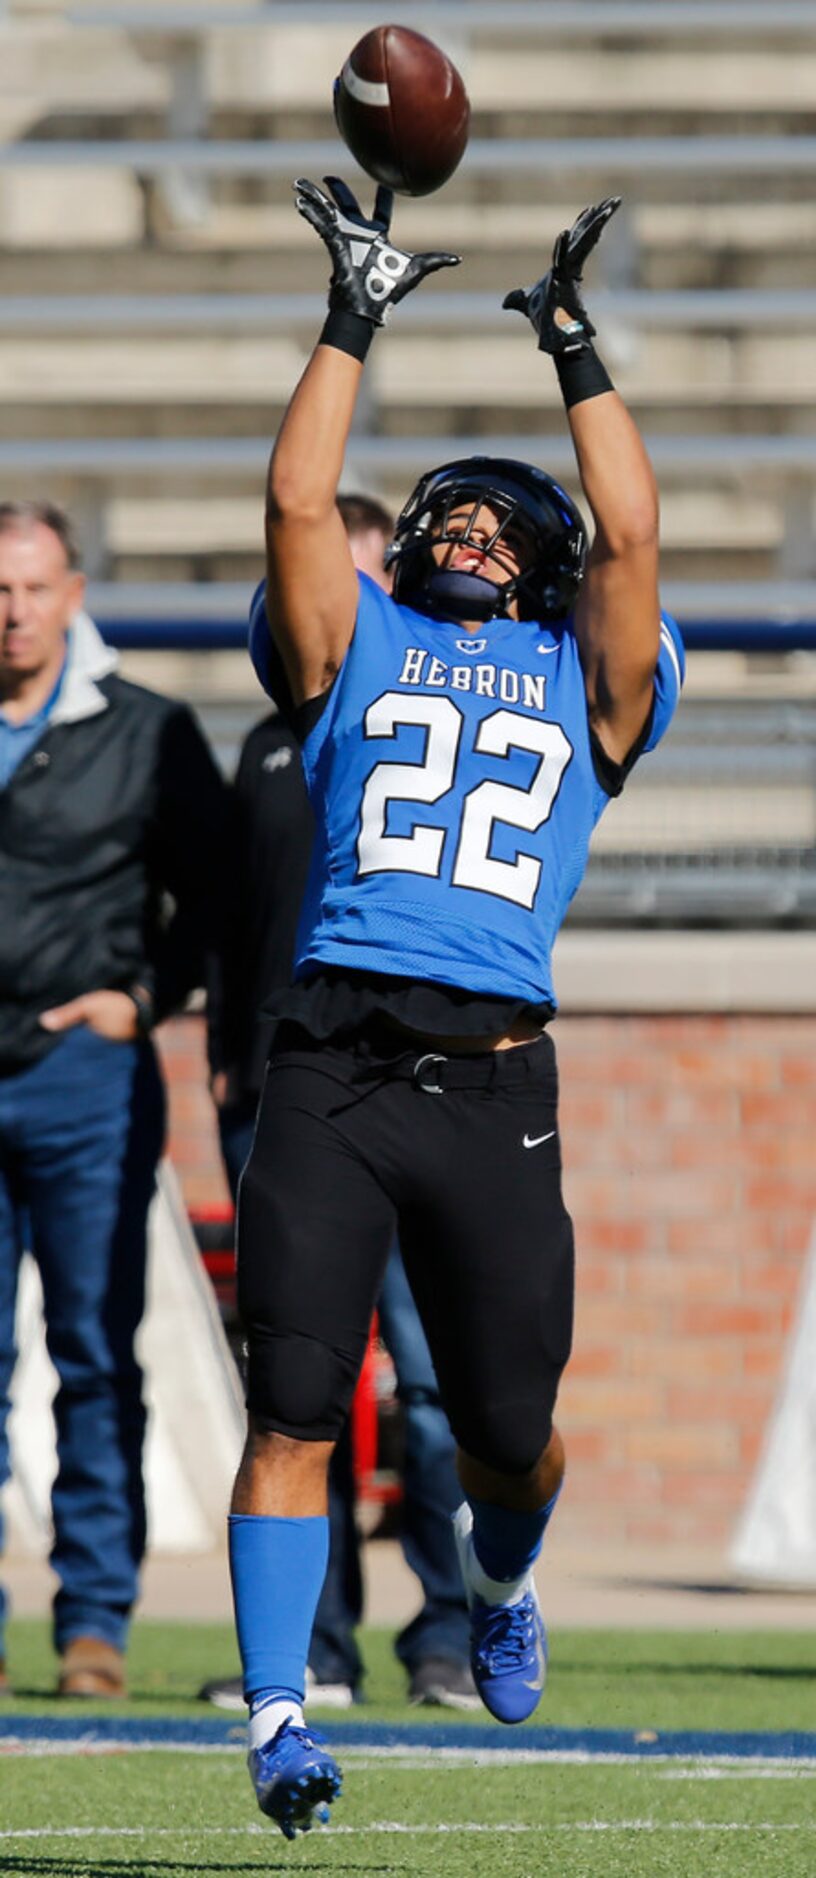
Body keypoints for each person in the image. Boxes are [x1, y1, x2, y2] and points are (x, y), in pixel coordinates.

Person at [230, 177, 685, 1839]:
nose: (471, 534)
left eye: (504, 522)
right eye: (451, 517)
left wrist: (574, 346)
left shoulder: (592, 669)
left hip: (493, 1087)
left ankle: (502, 1578)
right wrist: (354, 310)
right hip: (331, 1063)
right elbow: (293, 504)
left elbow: (632, 533)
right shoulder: (359, 643)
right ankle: (279, 1710)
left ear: (543, 560)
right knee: (295, 1398)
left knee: (506, 1433)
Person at [203, 492, 477, 1712]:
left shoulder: (442, 712)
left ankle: (453, 1627)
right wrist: (221, 1037)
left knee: (436, 1385)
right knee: (297, 1387)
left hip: (422, 1077)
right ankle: (313, 1651)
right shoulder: (276, 736)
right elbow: (229, 911)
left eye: (370, 578)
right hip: (290, 1078)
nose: (352, 604)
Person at [0, 500, 228, 1698]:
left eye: (33, 588)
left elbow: (217, 894)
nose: (13, 611)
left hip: (84, 1077)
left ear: (74, 594)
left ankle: (96, 1619)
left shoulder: (144, 730)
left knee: (94, 1353)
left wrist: (138, 999)